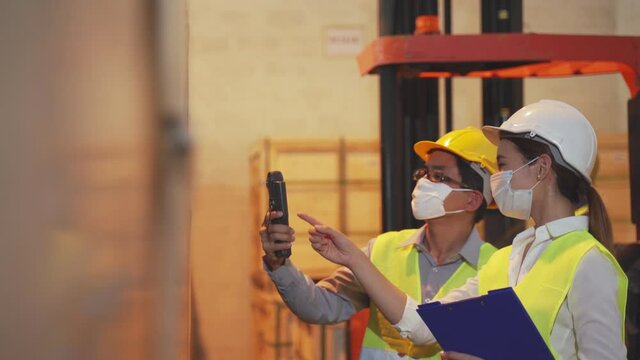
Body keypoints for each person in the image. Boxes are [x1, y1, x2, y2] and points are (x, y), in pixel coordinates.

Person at [300, 100, 628, 359]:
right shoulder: (508, 259)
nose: (497, 180)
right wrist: (354, 259)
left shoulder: (588, 263)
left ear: (541, 168)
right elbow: (421, 326)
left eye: (502, 165)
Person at [261, 127, 499, 359]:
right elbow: (317, 306)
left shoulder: (495, 269)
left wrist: (353, 258)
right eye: (424, 173)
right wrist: (279, 262)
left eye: (439, 176)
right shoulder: (384, 249)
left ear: (472, 200)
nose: (425, 183)